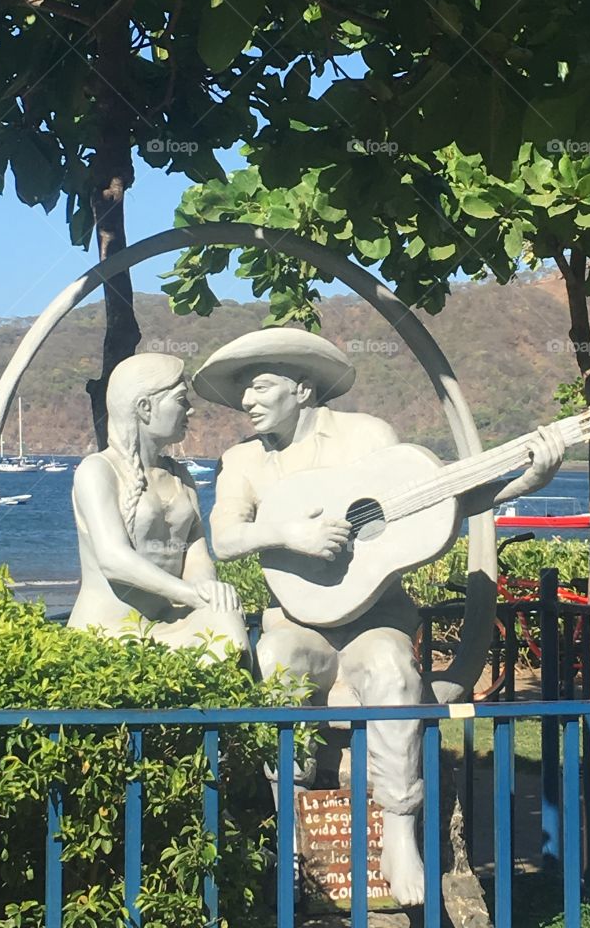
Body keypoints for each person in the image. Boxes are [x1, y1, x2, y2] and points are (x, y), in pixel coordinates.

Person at [194, 327, 565, 905]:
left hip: (375, 622)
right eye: (242, 390)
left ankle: (399, 828)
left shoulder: (368, 438)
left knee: (394, 672)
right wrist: (288, 533)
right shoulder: (241, 460)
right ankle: (289, 827)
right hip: (297, 621)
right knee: (272, 662)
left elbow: (444, 504)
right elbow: (224, 535)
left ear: (303, 387)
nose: (247, 401)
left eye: (260, 386)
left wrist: (524, 479)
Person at [69, 352, 248, 660]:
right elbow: (113, 560)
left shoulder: (181, 475)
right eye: (181, 399)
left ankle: (235, 707)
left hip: (166, 626)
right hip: (108, 634)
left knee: (226, 620)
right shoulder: (97, 471)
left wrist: (206, 589)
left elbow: (196, 554)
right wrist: (187, 594)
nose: (190, 410)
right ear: (145, 407)